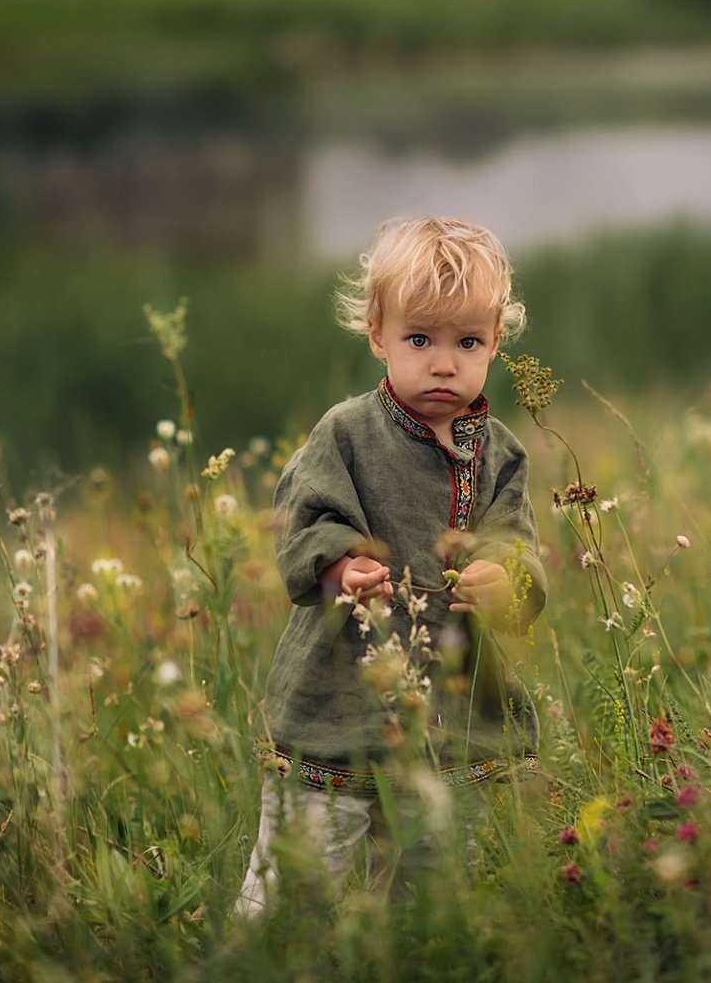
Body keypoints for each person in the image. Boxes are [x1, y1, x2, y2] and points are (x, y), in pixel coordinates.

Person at [233, 216, 548, 920]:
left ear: (496, 343)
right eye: (419, 340)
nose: (444, 363)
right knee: (293, 892)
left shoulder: (500, 453)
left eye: (468, 342)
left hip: (454, 711)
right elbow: (304, 524)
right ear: (377, 333)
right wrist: (339, 566)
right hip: (336, 702)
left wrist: (505, 577)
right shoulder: (346, 433)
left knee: (434, 897)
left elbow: (516, 543)